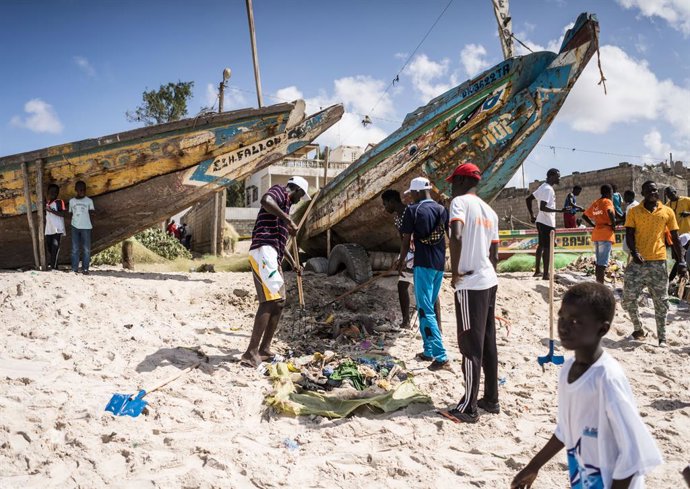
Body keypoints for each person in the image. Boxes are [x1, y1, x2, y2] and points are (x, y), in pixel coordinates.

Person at [511, 282, 663, 489]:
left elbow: (634, 454)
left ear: (602, 328)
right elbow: (566, 429)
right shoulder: (567, 370)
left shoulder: (607, 378)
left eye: (575, 321)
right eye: (562, 317)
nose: (563, 326)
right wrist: (533, 466)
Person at [444, 163, 500, 423]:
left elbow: (455, 236)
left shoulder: (459, 203)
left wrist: (456, 272)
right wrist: (486, 272)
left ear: (462, 181)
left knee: (469, 345)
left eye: (453, 181)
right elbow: (495, 253)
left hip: (470, 283)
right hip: (489, 280)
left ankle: (468, 408)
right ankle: (491, 399)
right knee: (488, 342)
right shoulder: (490, 210)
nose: (451, 186)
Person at [241, 176, 309, 368]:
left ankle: (264, 349)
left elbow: (281, 244)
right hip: (263, 251)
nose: (298, 201)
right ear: (296, 190)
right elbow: (265, 201)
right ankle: (250, 353)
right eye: (300, 196)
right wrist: (288, 219)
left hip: (274, 255)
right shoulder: (279, 191)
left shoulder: (284, 210)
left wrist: (294, 263)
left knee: (280, 302)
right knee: (271, 300)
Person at [623, 180, 688, 346]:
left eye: (655, 191)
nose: (653, 193)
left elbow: (675, 238)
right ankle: (638, 330)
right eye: (650, 190)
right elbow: (629, 234)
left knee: (661, 302)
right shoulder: (634, 211)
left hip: (658, 262)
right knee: (628, 299)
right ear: (642, 192)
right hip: (637, 262)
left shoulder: (666, 211)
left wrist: (681, 261)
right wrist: (634, 252)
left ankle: (662, 338)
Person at [398, 177, 450, 371]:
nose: (410, 197)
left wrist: (402, 260)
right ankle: (428, 350)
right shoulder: (441, 209)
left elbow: (406, 239)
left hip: (423, 264)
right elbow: (450, 236)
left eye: (411, 193)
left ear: (418, 192)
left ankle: (441, 354)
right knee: (426, 305)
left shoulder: (413, 210)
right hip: (439, 265)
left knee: (425, 308)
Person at [382, 189, 442, 330]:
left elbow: (412, 238)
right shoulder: (398, 217)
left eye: (385, 204)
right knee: (402, 285)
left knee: (428, 289)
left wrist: (405, 260)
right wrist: (402, 258)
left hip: (418, 253)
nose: (385, 208)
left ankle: (437, 325)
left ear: (392, 202)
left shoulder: (410, 212)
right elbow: (403, 240)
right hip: (409, 254)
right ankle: (406, 322)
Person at [526, 168, 563, 280]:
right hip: (547, 222)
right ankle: (546, 274)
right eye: (558, 176)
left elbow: (528, 199)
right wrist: (560, 211)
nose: (559, 178)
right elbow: (543, 207)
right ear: (551, 176)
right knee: (548, 248)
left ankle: (538, 271)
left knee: (541, 245)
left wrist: (532, 215)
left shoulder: (542, 187)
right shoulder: (548, 189)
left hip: (540, 221)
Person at [582, 184, 616, 284]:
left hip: (597, 234)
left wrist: (593, 225)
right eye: (611, 193)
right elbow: (610, 211)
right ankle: (600, 287)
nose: (612, 195)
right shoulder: (607, 201)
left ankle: (598, 284)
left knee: (599, 263)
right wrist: (613, 225)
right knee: (602, 264)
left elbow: (585, 215)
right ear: (608, 192)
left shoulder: (596, 203)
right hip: (605, 234)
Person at [69, 181, 95, 275]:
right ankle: (74, 268)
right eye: (80, 189)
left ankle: (85, 269)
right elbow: (70, 213)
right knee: (75, 248)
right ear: (76, 190)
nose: (82, 191)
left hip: (86, 227)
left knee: (86, 249)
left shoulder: (89, 201)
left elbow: (92, 213)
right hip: (75, 227)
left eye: (84, 189)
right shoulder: (72, 201)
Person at [44, 184, 67, 270]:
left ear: (58, 193)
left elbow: (63, 214)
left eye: (55, 192)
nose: (53, 193)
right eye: (51, 191)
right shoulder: (47, 203)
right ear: (48, 192)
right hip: (49, 228)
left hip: (58, 228)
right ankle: (54, 263)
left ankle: (54, 266)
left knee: (55, 245)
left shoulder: (59, 202)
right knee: (49, 246)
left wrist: (51, 210)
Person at [621, 190, 639, 258]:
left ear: (630, 196)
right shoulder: (629, 206)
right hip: (629, 229)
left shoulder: (634, 206)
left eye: (625, 197)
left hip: (633, 230)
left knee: (628, 247)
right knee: (626, 248)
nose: (624, 198)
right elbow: (623, 217)